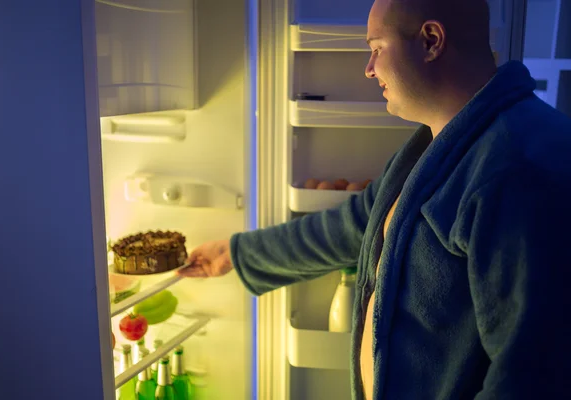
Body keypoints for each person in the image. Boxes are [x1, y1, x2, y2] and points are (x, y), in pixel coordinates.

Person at [179, 0, 571, 398]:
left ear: (431, 41)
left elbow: (531, 377)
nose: (368, 68)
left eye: (377, 48)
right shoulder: (437, 145)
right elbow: (353, 226)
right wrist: (234, 253)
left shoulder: (518, 168)